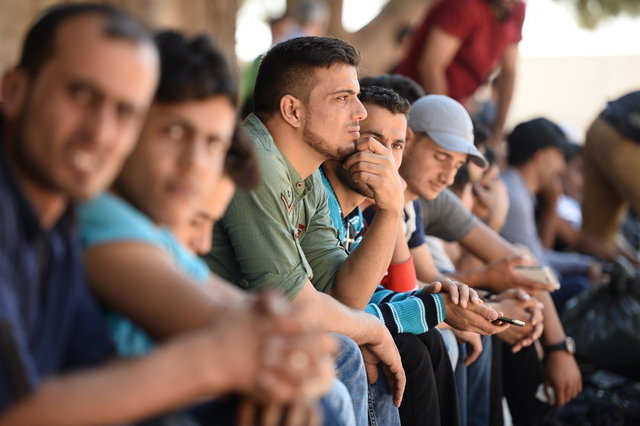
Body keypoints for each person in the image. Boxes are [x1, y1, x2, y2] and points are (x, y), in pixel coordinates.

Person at [0, 5, 333, 424]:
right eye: (81, 95)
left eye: (124, 112)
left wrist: (271, 370)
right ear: (13, 89)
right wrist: (218, 361)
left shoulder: (55, 224)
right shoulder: (59, 217)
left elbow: (96, 363)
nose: (100, 132)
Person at [206, 36, 407, 425]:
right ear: (292, 110)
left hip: (250, 331)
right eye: (342, 98)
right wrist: (374, 330)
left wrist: (390, 210)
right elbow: (299, 304)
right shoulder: (256, 161)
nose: (361, 113)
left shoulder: (307, 172)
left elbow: (344, 296)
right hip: (201, 334)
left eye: (357, 97)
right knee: (346, 352)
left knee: (361, 347)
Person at [501, 117, 604, 313]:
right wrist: (584, 269)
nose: (562, 167)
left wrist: (586, 264)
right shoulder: (514, 195)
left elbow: (538, 255)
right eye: (558, 156)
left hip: (522, 283)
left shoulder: (519, 190)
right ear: (541, 157)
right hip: (509, 294)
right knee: (580, 287)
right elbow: (538, 271)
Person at [395, 0, 525, 150]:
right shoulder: (464, 5)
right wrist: (448, 125)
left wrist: (498, 131)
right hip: (413, 103)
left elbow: (509, 73)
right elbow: (431, 66)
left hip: (453, 109)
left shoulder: (517, 10)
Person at [581, 91, 640, 256]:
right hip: (626, 136)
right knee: (599, 236)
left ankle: (596, 267)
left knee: (597, 234)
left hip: (602, 124)